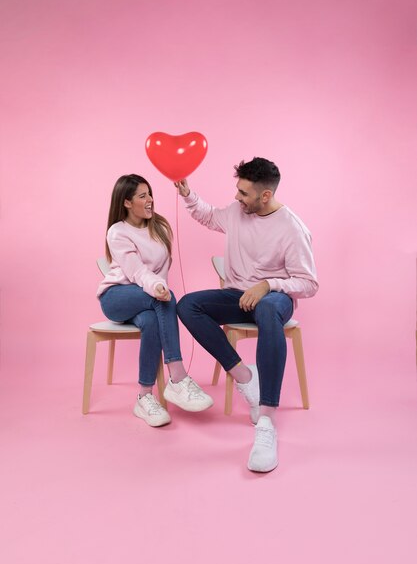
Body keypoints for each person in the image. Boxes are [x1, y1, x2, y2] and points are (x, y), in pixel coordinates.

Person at [176, 157, 318, 472]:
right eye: (238, 191)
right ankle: (244, 376)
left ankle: (266, 419)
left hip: (274, 300)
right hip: (236, 295)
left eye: (244, 193)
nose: (238, 198)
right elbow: (209, 216)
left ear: (265, 196)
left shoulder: (293, 228)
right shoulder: (238, 212)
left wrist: (268, 285)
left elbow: (308, 283)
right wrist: (187, 194)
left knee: (268, 309)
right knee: (187, 304)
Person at [97, 174, 213, 427]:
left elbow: (160, 270)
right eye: (143, 196)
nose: (150, 200)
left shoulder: (158, 225)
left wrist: (158, 288)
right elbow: (137, 272)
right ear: (127, 202)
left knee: (151, 320)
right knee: (165, 297)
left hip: (147, 299)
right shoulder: (117, 232)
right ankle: (178, 377)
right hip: (117, 297)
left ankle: (144, 397)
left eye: (150, 194)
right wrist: (158, 288)